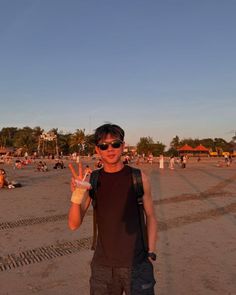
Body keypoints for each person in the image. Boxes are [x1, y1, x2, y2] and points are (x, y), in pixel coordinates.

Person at [68, 123, 157, 295]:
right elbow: (73, 224)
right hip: (103, 267)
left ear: (123, 146)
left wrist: (151, 253)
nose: (110, 149)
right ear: (98, 150)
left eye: (115, 144)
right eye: (104, 145)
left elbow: (151, 216)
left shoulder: (139, 178)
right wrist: (77, 196)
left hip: (137, 264)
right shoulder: (92, 180)